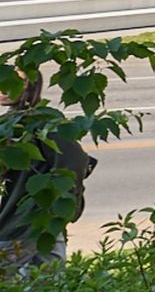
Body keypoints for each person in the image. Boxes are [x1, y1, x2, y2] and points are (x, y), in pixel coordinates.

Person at [0, 73, 92, 272]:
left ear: (30, 86)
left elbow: (73, 161)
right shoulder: (8, 124)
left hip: (25, 226)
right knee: (48, 281)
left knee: (23, 279)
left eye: (13, 82)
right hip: (24, 224)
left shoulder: (43, 121)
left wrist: (68, 205)